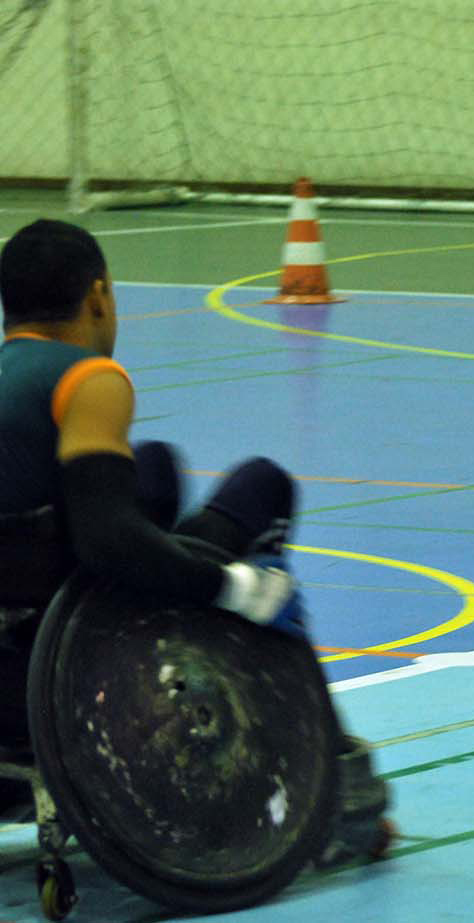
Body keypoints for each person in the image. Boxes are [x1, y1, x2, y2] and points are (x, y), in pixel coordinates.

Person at [0, 219, 389, 862]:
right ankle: (334, 786)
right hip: (70, 668)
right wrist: (235, 587)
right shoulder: (87, 379)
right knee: (262, 488)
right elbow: (107, 544)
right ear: (98, 296)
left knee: (152, 466)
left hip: (13, 656)